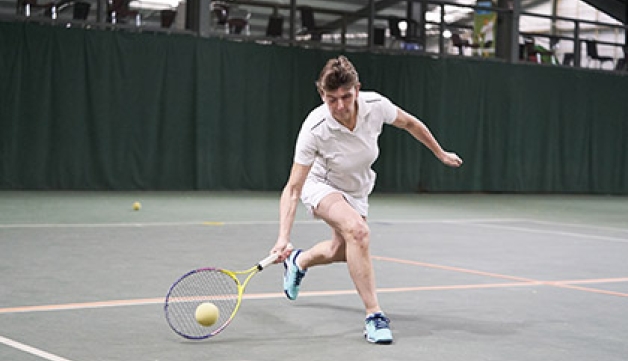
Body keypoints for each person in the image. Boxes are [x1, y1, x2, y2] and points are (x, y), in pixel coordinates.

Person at [270, 55, 463, 344]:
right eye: (331, 98)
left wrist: (440, 152)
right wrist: (283, 237)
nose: (340, 106)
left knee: (341, 249)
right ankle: (374, 315)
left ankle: (300, 261)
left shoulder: (376, 106)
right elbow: (294, 188)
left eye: (346, 96)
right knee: (358, 232)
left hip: (357, 188)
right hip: (321, 184)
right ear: (321, 94)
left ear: (357, 89)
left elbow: (411, 123)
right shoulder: (315, 127)